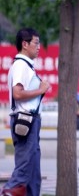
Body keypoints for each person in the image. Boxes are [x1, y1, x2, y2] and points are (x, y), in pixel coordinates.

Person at [1, 28, 50, 196]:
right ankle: (8, 191)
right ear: (25, 44)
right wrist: (41, 89)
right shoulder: (21, 65)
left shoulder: (26, 66)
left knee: (33, 171)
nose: (38, 47)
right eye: (36, 43)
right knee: (25, 165)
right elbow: (18, 93)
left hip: (30, 120)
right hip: (25, 119)